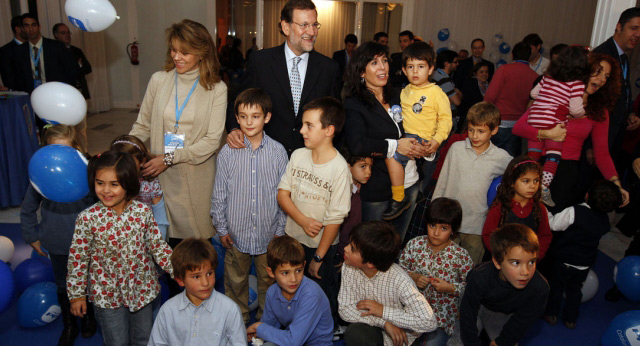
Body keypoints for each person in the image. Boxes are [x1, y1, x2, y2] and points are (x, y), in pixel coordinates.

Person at [129, 20, 226, 255]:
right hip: (157, 175)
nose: (177, 57)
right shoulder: (159, 80)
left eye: (185, 52)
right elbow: (142, 125)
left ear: (202, 53)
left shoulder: (216, 88)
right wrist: (124, 149)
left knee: (195, 250)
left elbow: (212, 141)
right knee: (163, 244)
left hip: (195, 178)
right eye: (173, 49)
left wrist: (169, 158)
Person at [67, 150, 173, 346]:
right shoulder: (87, 218)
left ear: (129, 183)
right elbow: (78, 259)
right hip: (107, 296)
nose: (106, 190)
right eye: (100, 183)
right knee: (116, 341)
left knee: (143, 338)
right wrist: (77, 295)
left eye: (114, 184)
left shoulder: (142, 212)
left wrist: (178, 269)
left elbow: (158, 246)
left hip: (142, 290)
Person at [513, 53, 630, 212]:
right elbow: (519, 127)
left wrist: (616, 183)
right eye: (598, 71)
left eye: (606, 76)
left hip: (566, 173)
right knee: (522, 218)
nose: (602, 79)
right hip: (536, 163)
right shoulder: (555, 95)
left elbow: (601, 152)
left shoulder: (599, 111)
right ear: (583, 71)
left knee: (552, 225)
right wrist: (548, 134)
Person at [211, 88, 288, 323]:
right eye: (243, 116)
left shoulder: (277, 152)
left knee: (268, 282)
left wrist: (280, 230)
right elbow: (219, 194)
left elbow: (285, 195)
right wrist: (221, 228)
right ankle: (239, 322)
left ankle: (265, 325)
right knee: (235, 282)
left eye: (255, 116)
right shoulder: (227, 153)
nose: (249, 122)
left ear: (267, 117)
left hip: (269, 235)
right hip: (236, 234)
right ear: (236, 118)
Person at [226, 0, 341, 156]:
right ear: (286, 27)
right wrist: (234, 128)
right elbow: (238, 100)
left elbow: (335, 117)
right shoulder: (261, 62)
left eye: (315, 25)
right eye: (304, 25)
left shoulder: (329, 68)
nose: (312, 32)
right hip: (266, 157)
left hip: (310, 161)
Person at [277, 97, 351, 326]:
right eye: (303, 124)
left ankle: (326, 330)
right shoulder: (298, 155)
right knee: (292, 293)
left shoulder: (339, 168)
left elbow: (335, 219)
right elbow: (282, 194)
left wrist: (318, 256)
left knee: (321, 295)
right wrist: (302, 220)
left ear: (329, 130)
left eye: (309, 125)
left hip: (322, 248)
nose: (302, 131)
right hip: (293, 240)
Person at [342, 41, 428, 241]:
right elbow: (357, 145)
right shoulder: (355, 104)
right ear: (361, 72)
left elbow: (421, 125)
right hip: (379, 188)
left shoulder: (400, 94)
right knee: (373, 246)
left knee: (398, 243)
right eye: (374, 63)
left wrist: (426, 148)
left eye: (384, 61)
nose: (382, 67)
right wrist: (396, 145)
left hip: (412, 181)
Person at [20, 125, 96, 346]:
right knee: (64, 286)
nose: (58, 158)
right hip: (57, 242)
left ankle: (89, 317)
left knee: (89, 282)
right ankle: (70, 325)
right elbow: (27, 209)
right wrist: (31, 236)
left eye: (65, 151)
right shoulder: (41, 178)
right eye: (53, 151)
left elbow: (101, 206)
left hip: (86, 243)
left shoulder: (86, 174)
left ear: (77, 150)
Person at [433, 102, 512, 264]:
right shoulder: (456, 149)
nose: (475, 136)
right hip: (448, 223)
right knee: (440, 266)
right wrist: (435, 215)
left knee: (469, 271)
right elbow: (442, 182)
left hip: (477, 226)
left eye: (481, 131)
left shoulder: (502, 158)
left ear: (494, 130)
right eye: (471, 130)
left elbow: (517, 177)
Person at [338, 221, 437, 346]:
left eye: (353, 249)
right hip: (371, 327)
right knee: (354, 333)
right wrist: (383, 321)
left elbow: (429, 321)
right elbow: (345, 309)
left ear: (370, 263)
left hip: (401, 337)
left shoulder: (400, 280)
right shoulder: (348, 266)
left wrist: (384, 311)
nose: (345, 249)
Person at [383, 42, 452, 220]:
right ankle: (416, 190)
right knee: (403, 165)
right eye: (410, 67)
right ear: (404, 71)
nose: (415, 72)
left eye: (420, 67)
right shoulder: (404, 91)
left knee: (393, 157)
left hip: (423, 138)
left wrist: (437, 140)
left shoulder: (436, 92)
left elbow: (445, 119)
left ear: (430, 70)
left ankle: (399, 199)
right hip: (406, 135)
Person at [544, 180, 622, 329]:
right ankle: (570, 319)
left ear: (587, 195)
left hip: (564, 260)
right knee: (575, 290)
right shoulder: (604, 220)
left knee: (557, 287)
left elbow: (553, 224)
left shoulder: (575, 211)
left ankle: (551, 314)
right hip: (584, 264)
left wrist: (544, 210)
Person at [398, 197, 472, 346]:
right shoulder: (414, 245)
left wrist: (450, 288)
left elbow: (471, 288)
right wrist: (413, 276)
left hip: (441, 320)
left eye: (444, 228)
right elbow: (398, 272)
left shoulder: (460, 256)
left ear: (453, 230)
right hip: (411, 313)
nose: (436, 233)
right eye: (432, 225)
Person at [460, 224, 549, 346]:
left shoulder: (540, 289)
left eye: (531, 262)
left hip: (504, 315)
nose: (525, 272)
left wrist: (500, 342)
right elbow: (468, 314)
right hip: (479, 307)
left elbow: (520, 323)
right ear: (497, 262)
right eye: (516, 263)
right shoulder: (479, 276)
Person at [149, 238, 246, 345]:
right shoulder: (168, 311)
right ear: (180, 280)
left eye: (209, 273)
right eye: (196, 277)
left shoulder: (230, 310)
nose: (205, 283)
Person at [527, 46, 591, 206]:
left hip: (535, 119)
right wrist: (582, 114)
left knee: (533, 156)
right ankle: (543, 186)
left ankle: (529, 180)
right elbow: (576, 110)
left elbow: (534, 94)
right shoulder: (576, 84)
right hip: (552, 121)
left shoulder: (548, 77)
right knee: (553, 155)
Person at [246, 236, 334, 346]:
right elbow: (269, 327)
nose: (293, 279)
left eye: (298, 270)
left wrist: (258, 327)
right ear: (271, 272)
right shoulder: (272, 292)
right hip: (290, 338)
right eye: (285, 273)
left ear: (304, 266)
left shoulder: (311, 294)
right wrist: (258, 334)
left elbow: (293, 341)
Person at [592, 7, 640, 166]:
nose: (638, 35)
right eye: (634, 28)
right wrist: (590, 146)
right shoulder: (604, 55)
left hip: (614, 138)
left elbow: (621, 94)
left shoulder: (623, 58)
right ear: (619, 27)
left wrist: (630, 114)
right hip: (598, 142)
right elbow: (592, 101)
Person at [482, 156, 552, 259]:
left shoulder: (540, 209)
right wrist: (503, 257)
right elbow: (488, 235)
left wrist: (534, 257)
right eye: (526, 181)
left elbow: (545, 236)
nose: (532, 186)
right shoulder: (500, 207)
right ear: (511, 182)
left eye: (536, 181)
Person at [484, 42, 539, 157]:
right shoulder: (535, 76)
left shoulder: (504, 70)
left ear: (512, 55)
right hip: (520, 125)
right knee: (509, 162)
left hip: (500, 122)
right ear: (529, 57)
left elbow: (490, 97)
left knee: (490, 159)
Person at [110, 135, 169, 240]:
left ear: (142, 161)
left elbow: (160, 220)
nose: (126, 167)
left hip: (145, 239)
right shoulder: (110, 183)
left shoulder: (150, 183)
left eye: (130, 163)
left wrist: (159, 243)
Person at [8, 13, 77, 94]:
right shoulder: (19, 51)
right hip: (32, 95)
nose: (30, 29)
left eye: (33, 25)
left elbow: (72, 71)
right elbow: (18, 78)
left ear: (39, 27)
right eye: (27, 26)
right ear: (23, 29)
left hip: (55, 93)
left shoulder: (56, 47)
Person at [52, 22, 92, 153]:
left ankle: (84, 153)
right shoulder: (53, 52)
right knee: (66, 128)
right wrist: (76, 67)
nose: (67, 35)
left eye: (68, 32)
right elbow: (64, 73)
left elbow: (87, 68)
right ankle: (69, 152)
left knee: (82, 128)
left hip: (80, 93)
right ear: (56, 35)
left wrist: (77, 68)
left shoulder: (76, 50)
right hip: (63, 96)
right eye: (63, 33)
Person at [335, 147, 372, 264]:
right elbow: (343, 229)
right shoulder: (345, 194)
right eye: (363, 166)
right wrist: (343, 255)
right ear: (348, 166)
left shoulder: (356, 190)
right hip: (339, 253)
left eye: (370, 166)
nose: (369, 172)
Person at [432, 49, 462, 130]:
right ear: (447, 64)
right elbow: (457, 101)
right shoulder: (443, 79)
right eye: (455, 62)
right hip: (445, 121)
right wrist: (457, 92)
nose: (457, 64)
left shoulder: (434, 74)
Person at [459, 61, 492, 130]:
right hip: (470, 118)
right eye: (481, 72)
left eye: (486, 72)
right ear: (475, 73)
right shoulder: (470, 83)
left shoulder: (488, 85)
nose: (484, 74)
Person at [0, 15, 27, 90]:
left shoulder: (33, 47)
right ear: (18, 29)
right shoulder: (6, 51)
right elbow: (8, 77)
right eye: (26, 26)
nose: (30, 30)